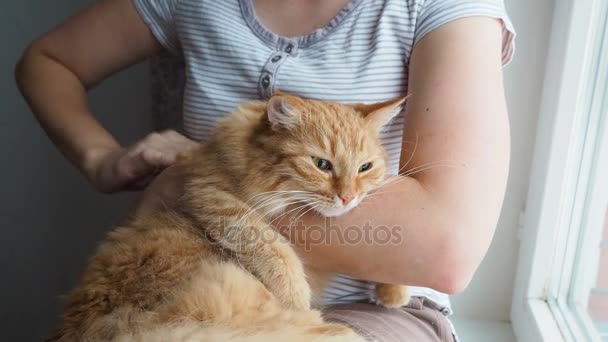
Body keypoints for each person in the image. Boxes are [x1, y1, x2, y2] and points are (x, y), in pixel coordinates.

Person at [15, 0, 515, 340]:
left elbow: (446, 250)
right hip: (194, 275)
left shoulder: (437, 10)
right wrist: (100, 158)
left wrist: (200, 186)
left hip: (371, 307)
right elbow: (48, 58)